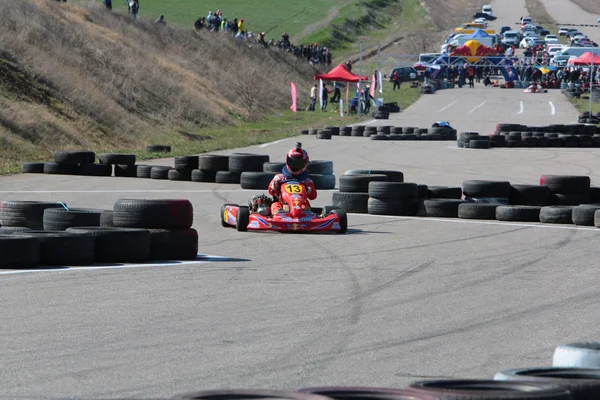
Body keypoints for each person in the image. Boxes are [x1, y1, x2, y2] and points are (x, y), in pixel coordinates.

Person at [268, 143, 317, 215]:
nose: (295, 166)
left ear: (305, 163)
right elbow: (271, 191)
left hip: (300, 205)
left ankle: (306, 214)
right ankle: (279, 214)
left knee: (305, 206)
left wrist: (309, 190)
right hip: (283, 204)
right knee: (275, 204)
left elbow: (313, 196)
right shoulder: (280, 177)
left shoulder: (307, 181)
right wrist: (275, 186)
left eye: (298, 164)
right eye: (293, 163)